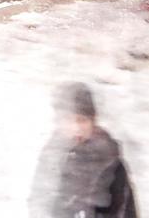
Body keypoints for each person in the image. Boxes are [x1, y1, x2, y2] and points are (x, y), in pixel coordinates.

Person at [35, 85, 134, 218]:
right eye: (69, 120)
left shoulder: (110, 161)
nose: (76, 128)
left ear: (93, 121)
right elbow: (39, 203)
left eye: (82, 120)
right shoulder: (52, 156)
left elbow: (125, 210)